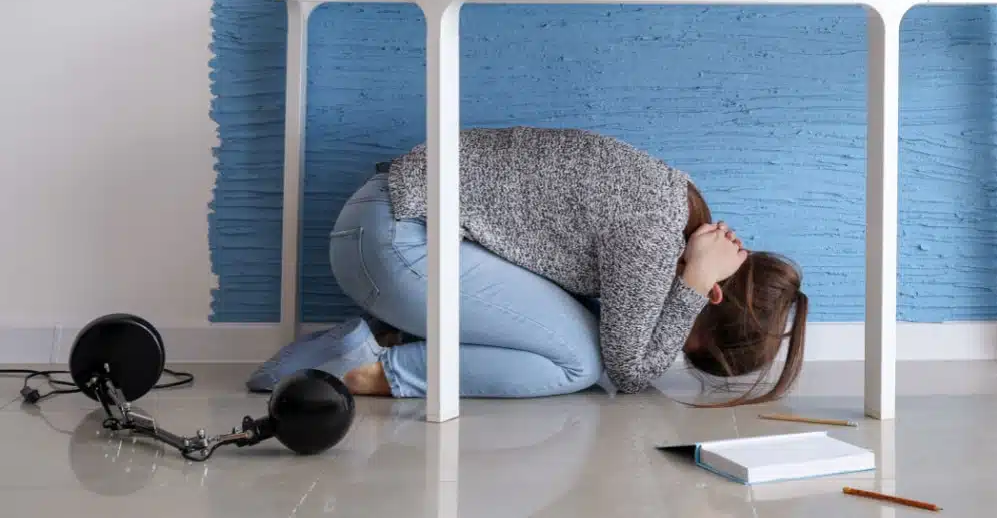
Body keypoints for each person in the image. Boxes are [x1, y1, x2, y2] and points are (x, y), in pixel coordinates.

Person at [249, 127, 808, 404]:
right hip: (394, 239)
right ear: (712, 295)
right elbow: (630, 371)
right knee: (579, 363)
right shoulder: (655, 234)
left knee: (585, 334)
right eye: (684, 339)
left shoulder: (668, 209)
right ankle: (376, 371)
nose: (668, 341)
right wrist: (690, 283)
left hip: (387, 230)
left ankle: (368, 342)